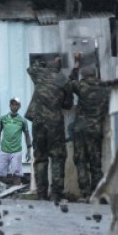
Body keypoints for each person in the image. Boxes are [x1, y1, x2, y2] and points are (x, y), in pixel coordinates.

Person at [26, 55, 73, 202]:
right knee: (58, 157)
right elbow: (68, 105)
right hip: (55, 122)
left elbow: (31, 67)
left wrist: (43, 61)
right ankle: (56, 194)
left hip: (38, 121)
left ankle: (41, 194)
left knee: (40, 157)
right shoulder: (63, 80)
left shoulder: (40, 74)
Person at [70, 53, 110, 199]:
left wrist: (76, 64)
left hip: (80, 129)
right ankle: (97, 193)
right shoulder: (105, 88)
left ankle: (85, 193)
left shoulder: (82, 86)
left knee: (81, 161)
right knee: (96, 162)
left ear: (84, 75)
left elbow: (68, 82)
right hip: (96, 129)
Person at [0, 97, 32, 185]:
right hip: (4, 150)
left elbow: (27, 135)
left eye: (16, 105)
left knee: (17, 175)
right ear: (10, 106)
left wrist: (29, 150)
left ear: (19, 107)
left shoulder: (22, 121)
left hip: (16, 151)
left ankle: (16, 193)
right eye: (12, 104)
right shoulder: (3, 119)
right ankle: (0, 190)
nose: (14, 107)